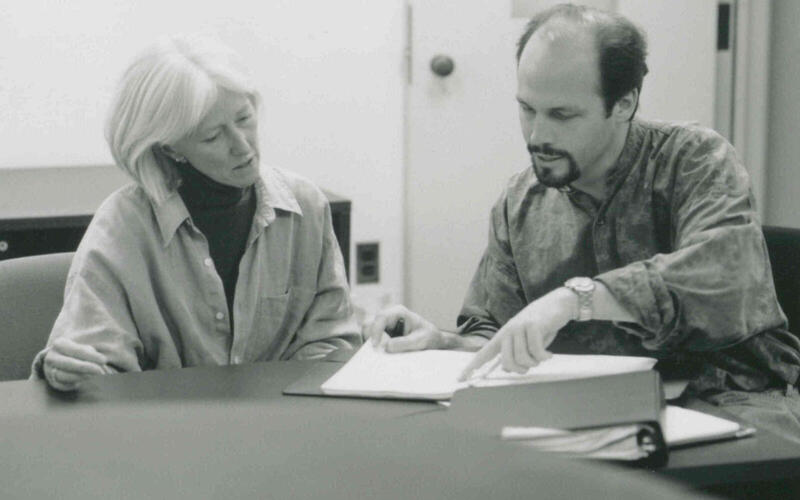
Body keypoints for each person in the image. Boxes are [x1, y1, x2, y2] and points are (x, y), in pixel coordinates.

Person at [366, 4, 800, 441]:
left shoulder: (695, 160)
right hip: (590, 415)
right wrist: (442, 343)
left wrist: (575, 299)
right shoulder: (520, 202)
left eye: (562, 115)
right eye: (527, 109)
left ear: (624, 103)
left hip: (733, 401)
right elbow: (499, 333)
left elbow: (722, 278)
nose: (536, 136)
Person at [32, 36, 360, 391]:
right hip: (164, 434)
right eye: (212, 137)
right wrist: (72, 370)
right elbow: (94, 364)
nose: (242, 144)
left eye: (244, 118)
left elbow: (331, 345)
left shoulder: (305, 207)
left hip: (280, 426)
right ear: (171, 149)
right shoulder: (123, 227)